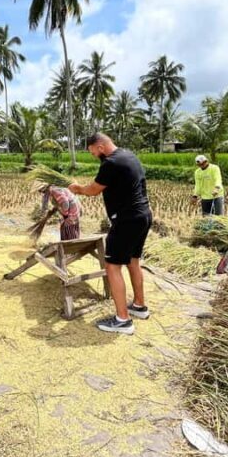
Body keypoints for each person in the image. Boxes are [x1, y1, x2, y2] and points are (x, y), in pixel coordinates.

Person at [69, 133, 152, 335]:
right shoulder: (128, 155)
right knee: (133, 260)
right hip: (143, 215)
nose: (93, 156)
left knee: (112, 266)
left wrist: (77, 188)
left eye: (92, 152)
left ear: (100, 146)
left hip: (126, 220)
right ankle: (139, 306)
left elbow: (93, 190)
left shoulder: (111, 163)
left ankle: (123, 320)